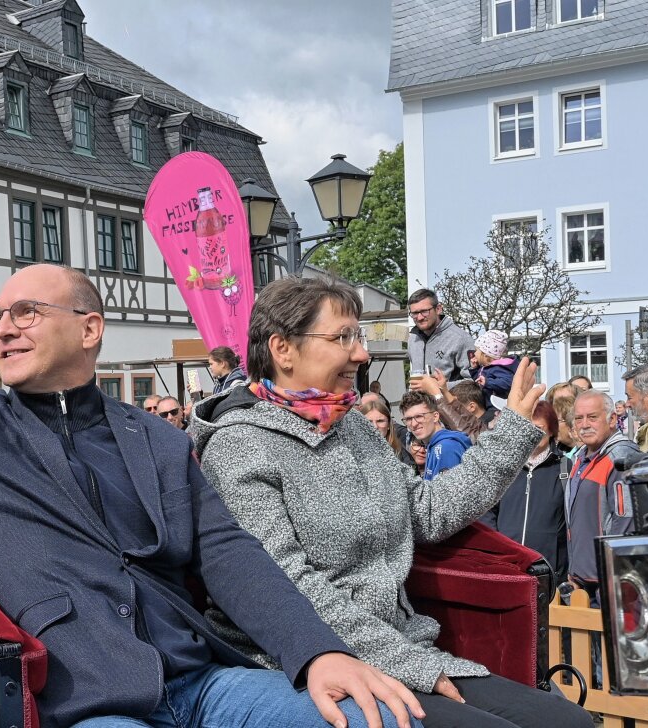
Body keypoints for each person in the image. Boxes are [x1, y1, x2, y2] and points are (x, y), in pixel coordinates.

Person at [0, 156, 423, 728]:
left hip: (205, 683)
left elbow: (230, 554)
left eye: (27, 311)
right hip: (85, 705)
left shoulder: (154, 436)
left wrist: (315, 654)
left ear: (89, 330)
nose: (2, 327)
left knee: (378, 720)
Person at [192, 276, 591, 728]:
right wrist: (413, 664)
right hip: (308, 660)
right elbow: (289, 589)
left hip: (403, 646)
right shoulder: (239, 446)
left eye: (358, 336)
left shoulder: (354, 428)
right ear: (283, 349)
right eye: (343, 337)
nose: (361, 353)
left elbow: (427, 510)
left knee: (569, 723)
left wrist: (511, 434)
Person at [478, 400, 568, 584]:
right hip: (506, 565)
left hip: (547, 569)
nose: (533, 433)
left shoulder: (564, 469)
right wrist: (497, 550)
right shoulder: (504, 466)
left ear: (551, 430)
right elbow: (487, 512)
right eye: (528, 427)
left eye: (539, 428)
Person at [566, 391, 640, 598]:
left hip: (609, 583)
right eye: (579, 418)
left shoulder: (621, 457)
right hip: (582, 582)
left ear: (612, 419)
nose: (584, 424)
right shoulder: (581, 457)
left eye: (592, 417)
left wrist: (614, 574)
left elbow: (626, 523)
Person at [405, 288, 474, 382]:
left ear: (438, 309)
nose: (419, 317)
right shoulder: (413, 339)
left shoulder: (461, 339)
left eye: (425, 311)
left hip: (450, 396)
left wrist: (440, 388)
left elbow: (473, 382)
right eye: (415, 313)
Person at [399, 391, 472, 480]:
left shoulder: (446, 448)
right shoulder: (434, 445)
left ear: (435, 416)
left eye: (419, 416)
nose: (414, 424)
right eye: (408, 419)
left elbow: (449, 492)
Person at [357, 399, 412, 466]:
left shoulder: (400, 453)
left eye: (380, 421)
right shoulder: (350, 453)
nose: (375, 426)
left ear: (388, 425)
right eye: (368, 422)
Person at [470, 330, 519, 401]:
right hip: (487, 404)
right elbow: (478, 381)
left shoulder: (498, 368)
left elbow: (508, 382)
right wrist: (474, 368)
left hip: (496, 407)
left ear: (485, 355)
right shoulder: (486, 367)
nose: (474, 353)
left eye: (476, 350)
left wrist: (487, 382)